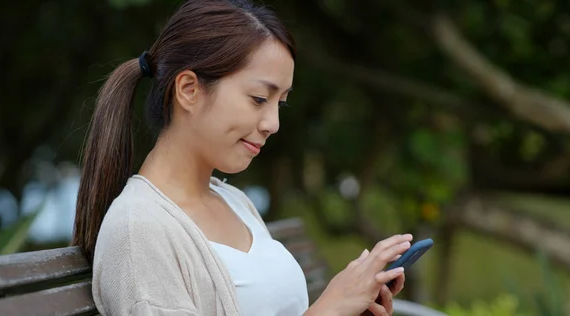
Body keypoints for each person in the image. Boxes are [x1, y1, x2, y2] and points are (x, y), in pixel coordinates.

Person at [72, 0, 413, 315]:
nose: (273, 125)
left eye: (280, 103)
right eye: (258, 98)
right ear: (188, 90)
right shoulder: (138, 231)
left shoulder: (233, 201)